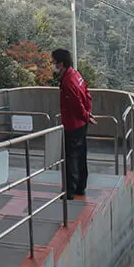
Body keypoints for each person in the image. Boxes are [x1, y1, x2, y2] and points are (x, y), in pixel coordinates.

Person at [52, 49, 93, 200]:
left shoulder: (68, 81)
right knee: (81, 155)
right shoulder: (76, 75)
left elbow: (76, 105)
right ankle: (81, 187)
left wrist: (85, 115)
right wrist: (87, 114)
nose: (52, 65)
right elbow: (87, 93)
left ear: (61, 63)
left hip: (73, 125)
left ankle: (69, 191)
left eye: (54, 62)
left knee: (70, 158)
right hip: (81, 124)